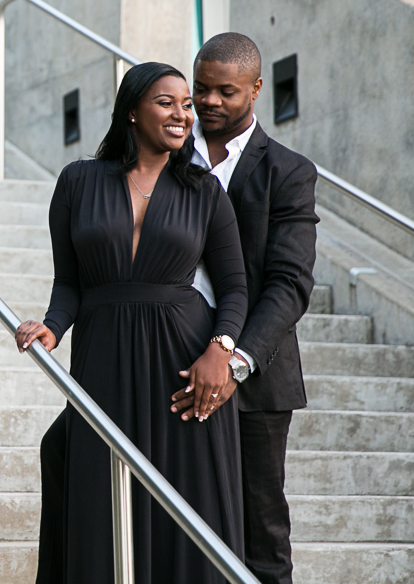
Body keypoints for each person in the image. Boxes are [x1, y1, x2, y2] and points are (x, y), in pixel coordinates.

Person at [16, 61, 249, 584]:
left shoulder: (204, 190)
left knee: (182, 502)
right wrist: (54, 326)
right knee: (95, 483)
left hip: (182, 364)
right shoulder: (78, 181)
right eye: (167, 102)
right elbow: (69, 281)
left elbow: (235, 287)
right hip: (104, 357)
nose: (183, 114)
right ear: (131, 112)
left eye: (187, 105)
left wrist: (222, 349)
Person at [170, 33, 319, 584]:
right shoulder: (162, 157)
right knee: (175, 519)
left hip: (255, 382)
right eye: (200, 89)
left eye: (224, 92)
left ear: (256, 89)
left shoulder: (288, 171)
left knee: (261, 531)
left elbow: (288, 283)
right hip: (170, 363)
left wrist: (235, 362)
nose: (207, 102)